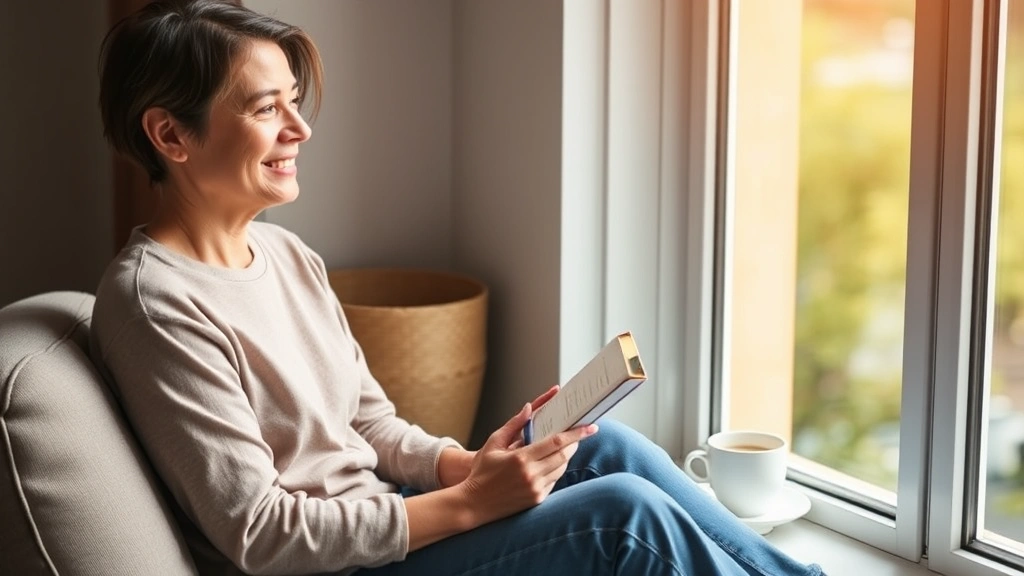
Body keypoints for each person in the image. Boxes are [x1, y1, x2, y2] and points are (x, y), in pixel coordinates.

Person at [91, 1, 826, 575]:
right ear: (170, 136)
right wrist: (472, 504)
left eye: (293, 100)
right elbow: (260, 534)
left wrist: (465, 466)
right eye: (264, 109)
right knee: (621, 514)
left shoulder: (284, 254)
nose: (300, 129)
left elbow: (371, 426)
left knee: (610, 451)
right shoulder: (155, 303)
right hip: (335, 568)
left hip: (387, 521)